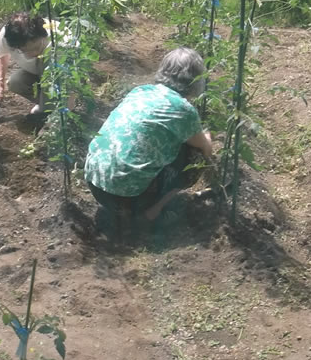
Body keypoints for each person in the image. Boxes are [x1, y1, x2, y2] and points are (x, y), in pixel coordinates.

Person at [84, 47, 214, 226]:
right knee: (195, 155)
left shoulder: (140, 91)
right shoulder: (183, 109)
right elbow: (205, 149)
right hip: (127, 197)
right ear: (196, 80)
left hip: (95, 183)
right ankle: (152, 211)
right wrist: (207, 137)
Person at [0, 12, 75, 116]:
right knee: (15, 82)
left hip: (63, 76)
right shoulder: (8, 34)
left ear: (43, 36)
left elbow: (70, 82)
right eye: (24, 51)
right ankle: (47, 105)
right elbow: (2, 55)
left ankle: (55, 111)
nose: (32, 55)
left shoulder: (62, 44)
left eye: (36, 48)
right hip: (37, 73)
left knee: (51, 76)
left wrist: (65, 111)